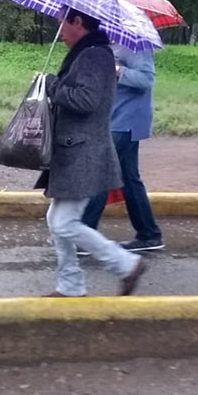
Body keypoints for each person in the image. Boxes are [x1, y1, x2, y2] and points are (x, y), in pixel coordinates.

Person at [37, 8, 148, 297]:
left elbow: (86, 100)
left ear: (78, 22)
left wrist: (52, 85)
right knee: (56, 220)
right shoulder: (87, 51)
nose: (59, 27)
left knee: (64, 222)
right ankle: (70, 285)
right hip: (74, 150)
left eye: (63, 21)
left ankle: (126, 264)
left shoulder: (95, 54)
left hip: (83, 152)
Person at [79, 43, 164, 253]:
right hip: (115, 119)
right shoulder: (111, 44)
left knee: (100, 171)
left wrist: (116, 69)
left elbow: (147, 79)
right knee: (129, 180)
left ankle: (83, 237)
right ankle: (149, 234)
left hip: (127, 121)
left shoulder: (137, 46)